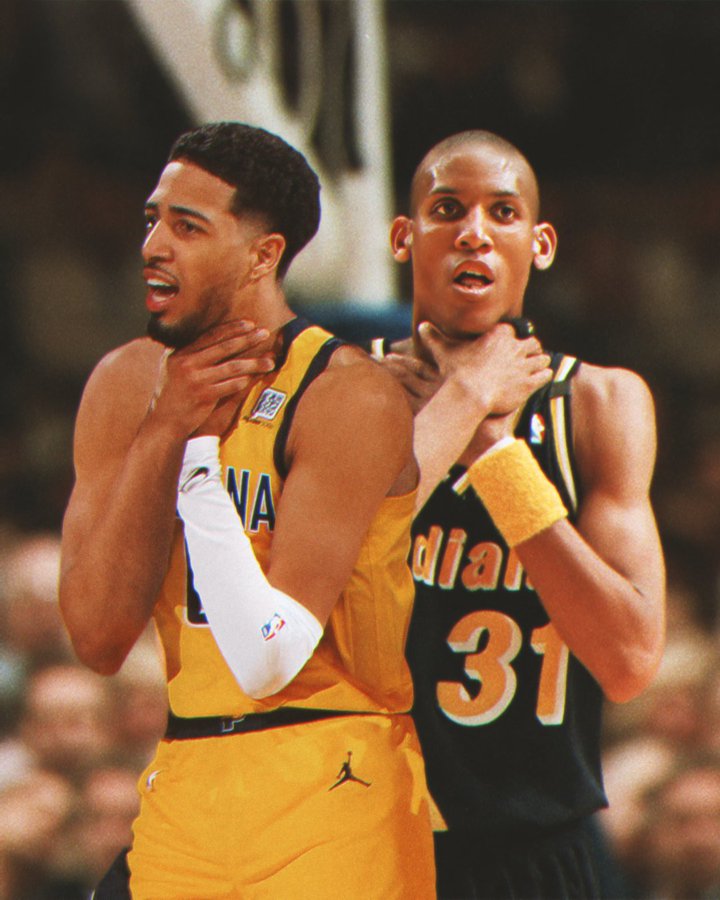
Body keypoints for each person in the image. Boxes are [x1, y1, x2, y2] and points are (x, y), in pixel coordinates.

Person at [59, 122, 435, 898]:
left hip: (332, 767)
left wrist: (196, 455)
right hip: (188, 766)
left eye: (187, 227)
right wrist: (166, 429)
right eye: (152, 220)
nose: (154, 246)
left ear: (264, 256)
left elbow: (271, 659)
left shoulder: (346, 394)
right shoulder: (127, 386)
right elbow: (98, 637)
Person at [371, 130, 666, 898]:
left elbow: (629, 659)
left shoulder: (598, 403)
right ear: (403, 237)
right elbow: (314, 587)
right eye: (447, 209)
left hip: (537, 846)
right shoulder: (348, 393)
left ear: (541, 244)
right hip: (368, 840)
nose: (474, 232)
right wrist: (463, 401)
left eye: (502, 212)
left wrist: (488, 447)